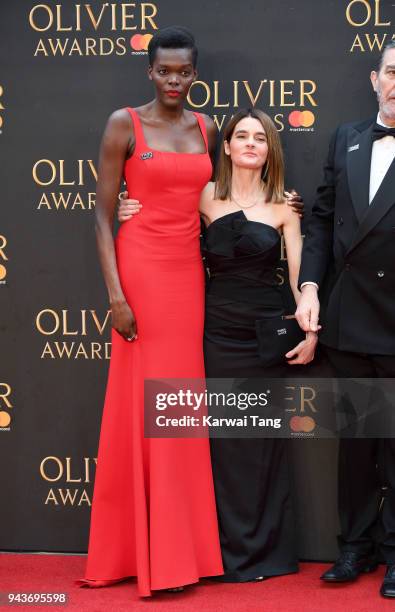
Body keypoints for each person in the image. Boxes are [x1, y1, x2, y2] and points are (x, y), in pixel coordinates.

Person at [119, 108, 318, 582]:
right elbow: (159, 210)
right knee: (223, 446)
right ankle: (223, 553)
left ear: (271, 150)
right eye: (241, 136)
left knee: (263, 442)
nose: (250, 144)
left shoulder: (285, 208)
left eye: (260, 138)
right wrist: (125, 207)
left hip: (266, 334)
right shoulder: (204, 196)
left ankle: (268, 553)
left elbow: (298, 280)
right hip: (214, 333)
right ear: (224, 147)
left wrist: (310, 334)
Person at [78, 26, 224, 597]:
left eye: (183, 72)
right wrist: (115, 294)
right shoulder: (125, 123)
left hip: (188, 277)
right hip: (139, 273)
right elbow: (102, 214)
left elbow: (211, 199)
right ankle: (139, 552)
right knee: (142, 405)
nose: (173, 80)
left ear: (195, 74)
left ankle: (182, 552)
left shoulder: (205, 127)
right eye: (163, 70)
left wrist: (278, 203)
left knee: (181, 407)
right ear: (149, 71)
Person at [296, 41, 395, 599]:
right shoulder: (347, 137)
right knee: (357, 442)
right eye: (392, 72)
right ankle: (354, 548)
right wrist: (310, 285)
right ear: (374, 78)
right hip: (351, 316)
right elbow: (323, 218)